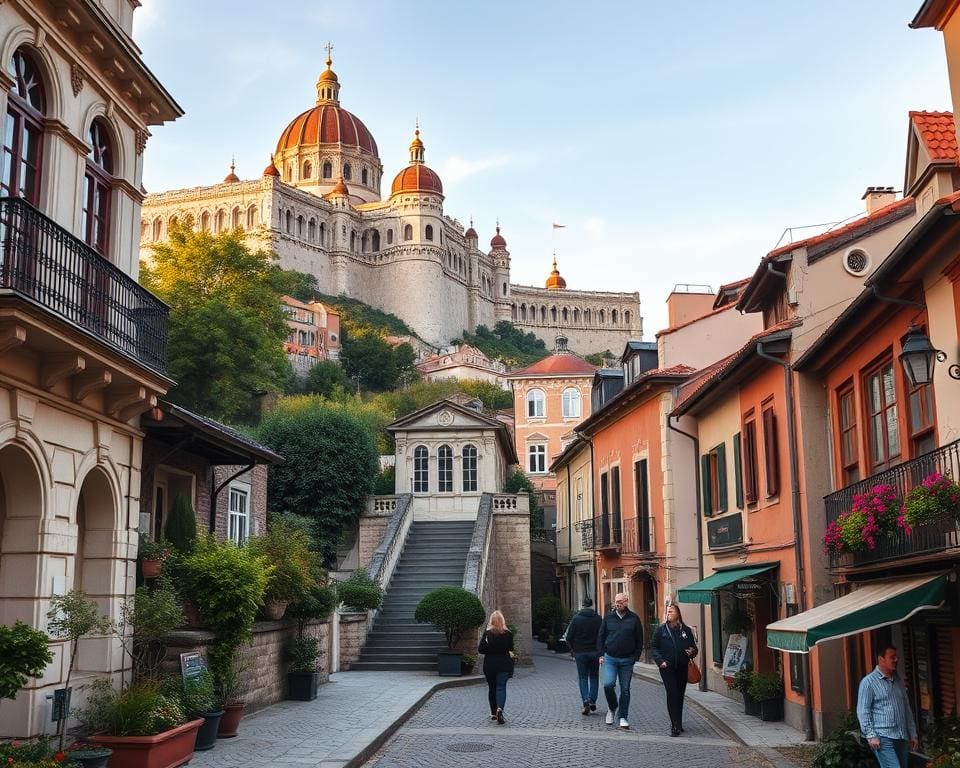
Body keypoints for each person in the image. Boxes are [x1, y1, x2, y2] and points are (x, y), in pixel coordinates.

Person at [857, 645, 918, 768]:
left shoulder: (898, 680)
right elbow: (863, 711)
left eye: (896, 657)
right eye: (892, 657)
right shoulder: (868, 682)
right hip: (883, 737)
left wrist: (913, 734)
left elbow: (906, 708)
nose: (896, 660)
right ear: (881, 659)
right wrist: (871, 735)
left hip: (902, 736)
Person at [597, 591, 644, 729]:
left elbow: (639, 639)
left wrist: (635, 656)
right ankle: (612, 708)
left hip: (627, 660)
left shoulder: (634, 619)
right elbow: (600, 636)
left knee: (625, 689)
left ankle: (623, 716)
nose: (617, 604)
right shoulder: (608, 618)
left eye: (620, 602)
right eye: (616, 601)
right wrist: (601, 654)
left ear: (626, 602)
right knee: (608, 685)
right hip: (610, 658)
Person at [651, 603, 698, 737]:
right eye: (667, 611)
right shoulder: (661, 630)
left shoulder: (686, 630)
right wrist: (660, 661)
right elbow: (654, 647)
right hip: (668, 667)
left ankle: (679, 721)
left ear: (678, 613)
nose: (668, 613)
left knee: (680, 694)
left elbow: (694, 647)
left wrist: (692, 651)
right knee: (672, 694)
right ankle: (674, 725)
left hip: (682, 666)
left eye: (671, 611)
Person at [566, 596, 603, 714]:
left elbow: (568, 637)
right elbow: (603, 636)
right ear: (592, 605)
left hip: (580, 652)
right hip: (595, 652)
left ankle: (586, 700)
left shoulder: (576, 619)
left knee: (582, 677)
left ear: (583, 605)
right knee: (594, 677)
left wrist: (573, 649)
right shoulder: (598, 619)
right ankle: (592, 699)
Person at [478, 609, 514, 725]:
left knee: (492, 688)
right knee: (501, 687)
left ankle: (493, 713)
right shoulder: (508, 634)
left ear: (491, 621)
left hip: (490, 665)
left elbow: (481, 649)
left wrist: (490, 646)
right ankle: (500, 709)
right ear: (502, 620)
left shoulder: (487, 634)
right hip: (504, 664)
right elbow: (510, 648)